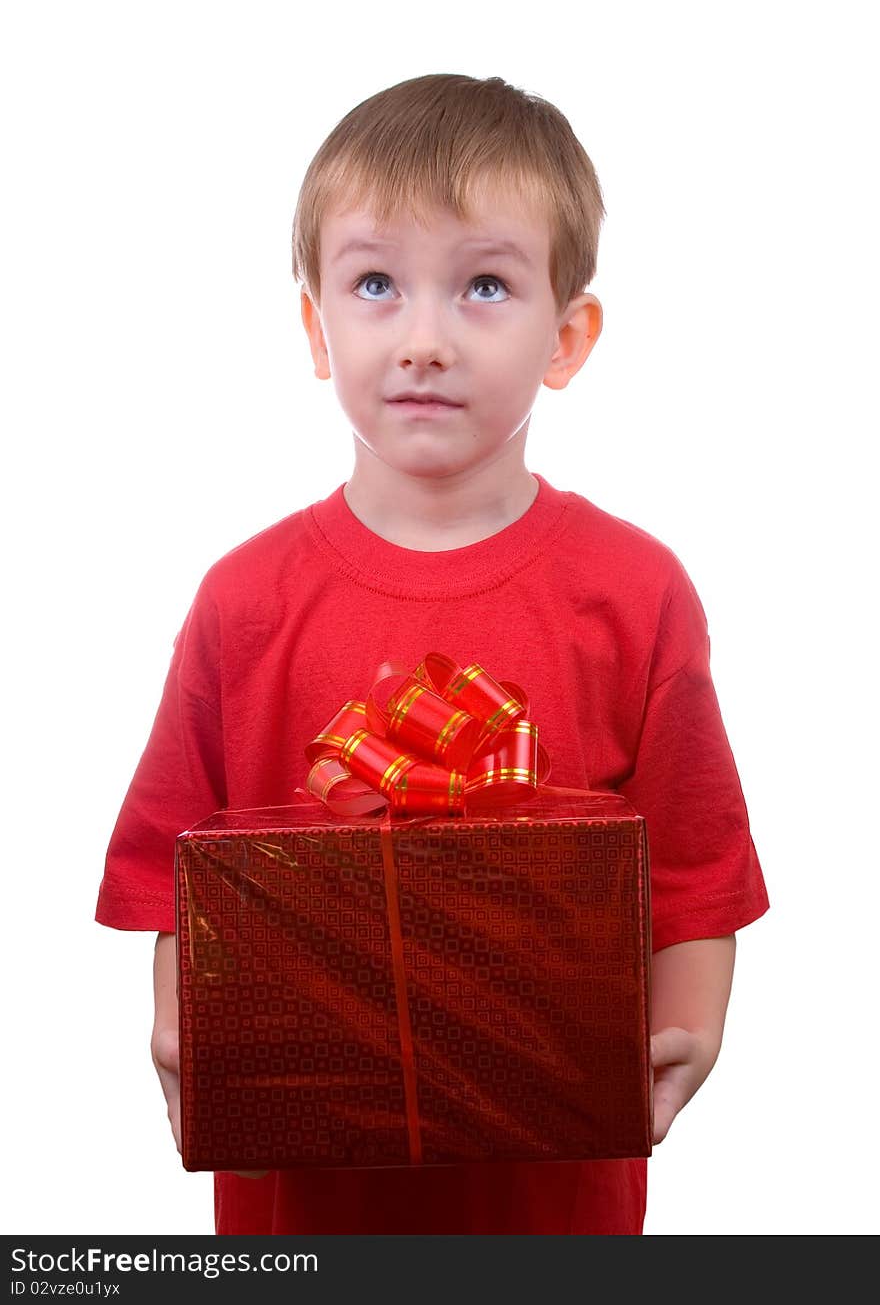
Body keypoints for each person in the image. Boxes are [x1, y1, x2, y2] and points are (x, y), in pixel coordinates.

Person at [95, 73, 769, 1235]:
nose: (422, 340)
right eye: (373, 284)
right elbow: (170, 861)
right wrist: (177, 1021)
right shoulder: (242, 601)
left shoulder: (634, 594)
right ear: (315, 327)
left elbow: (697, 863)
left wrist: (689, 1031)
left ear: (566, 338)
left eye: (485, 287)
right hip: (301, 1205)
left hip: (550, 1194)